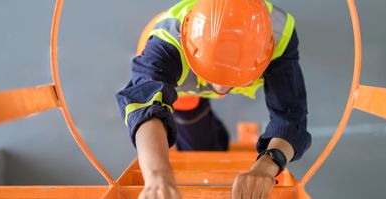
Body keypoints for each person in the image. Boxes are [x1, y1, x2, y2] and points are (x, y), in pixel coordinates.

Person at [115, 0, 311, 198]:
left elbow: (291, 116)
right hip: (177, 85)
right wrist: (158, 177)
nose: (221, 89)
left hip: (191, 67)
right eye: (214, 76)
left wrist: (267, 165)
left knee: (207, 145)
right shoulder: (165, 47)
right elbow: (144, 105)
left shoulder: (278, 36)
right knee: (197, 146)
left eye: (233, 79)